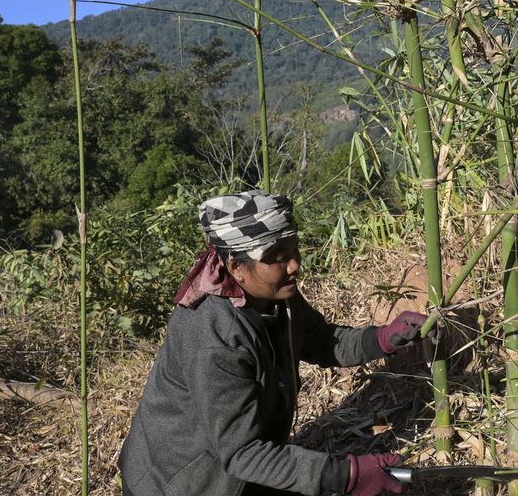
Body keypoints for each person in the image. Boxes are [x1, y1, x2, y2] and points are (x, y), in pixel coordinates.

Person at [119, 190, 426, 496]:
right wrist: (344, 475)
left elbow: (320, 340)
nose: (293, 265)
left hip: (237, 462)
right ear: (236, 267)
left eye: (294, 250)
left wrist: (382, 338)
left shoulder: (277, 295)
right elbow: (243, 453)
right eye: (277, 258)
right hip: (181, 482)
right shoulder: (214, 337)